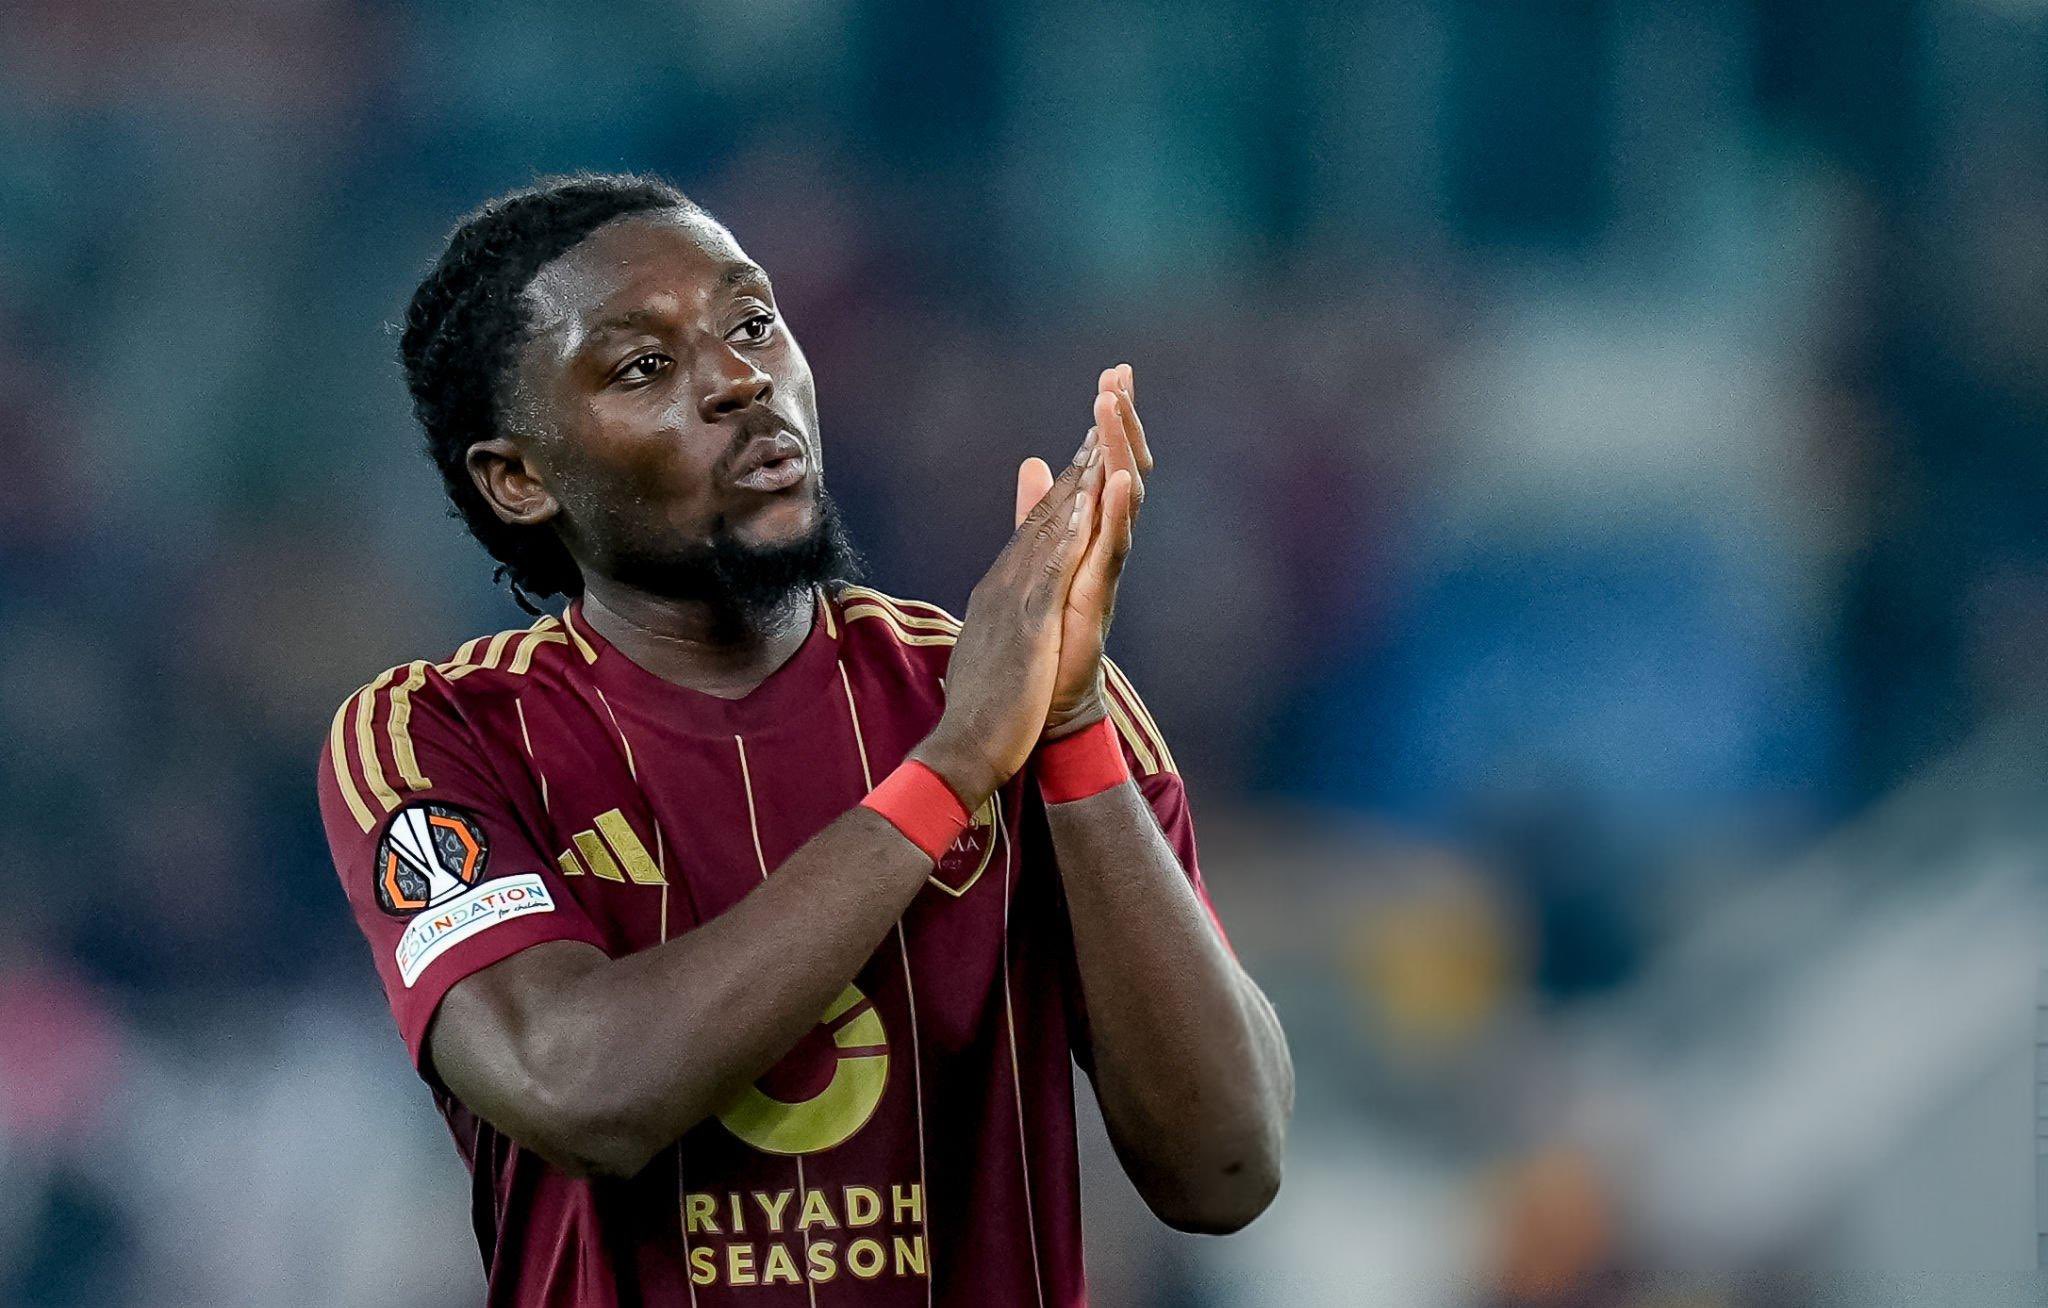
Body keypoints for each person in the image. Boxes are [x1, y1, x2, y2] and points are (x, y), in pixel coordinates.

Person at [316, 173, 1291, 1306]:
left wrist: (1068, 730)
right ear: (519, 479)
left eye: (751, 324)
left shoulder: (1027, 690)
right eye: (644, 366)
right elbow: (580, 1090)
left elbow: (1224, 1169)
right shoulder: (436, 736)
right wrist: (951, 771)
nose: (740, 379)